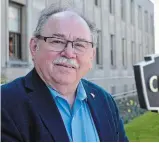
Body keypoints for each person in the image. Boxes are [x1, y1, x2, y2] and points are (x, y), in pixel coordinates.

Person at [1, 3, 128, 142]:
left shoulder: (105, 101)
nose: (69, 53)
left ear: (92, 55)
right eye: (57, 41)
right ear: (34, 47)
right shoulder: (6, 104)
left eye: (79, 44)